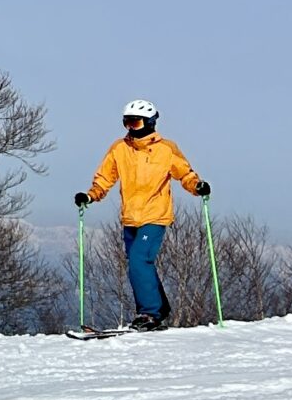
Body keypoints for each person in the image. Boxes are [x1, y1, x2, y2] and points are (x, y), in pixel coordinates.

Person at [75, 99, 209, 327]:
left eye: (134, 123)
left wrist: (197, 187)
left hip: (155, 215)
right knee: (138, 263)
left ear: (149, 122)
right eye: (126, 123)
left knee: (139, 260)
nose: (129, 128)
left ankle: (149, 313)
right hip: (130, 218)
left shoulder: (166, 149)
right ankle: (158, 307)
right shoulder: (119, 148)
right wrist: (91, 195)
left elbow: (184, 174)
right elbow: (105, 177)